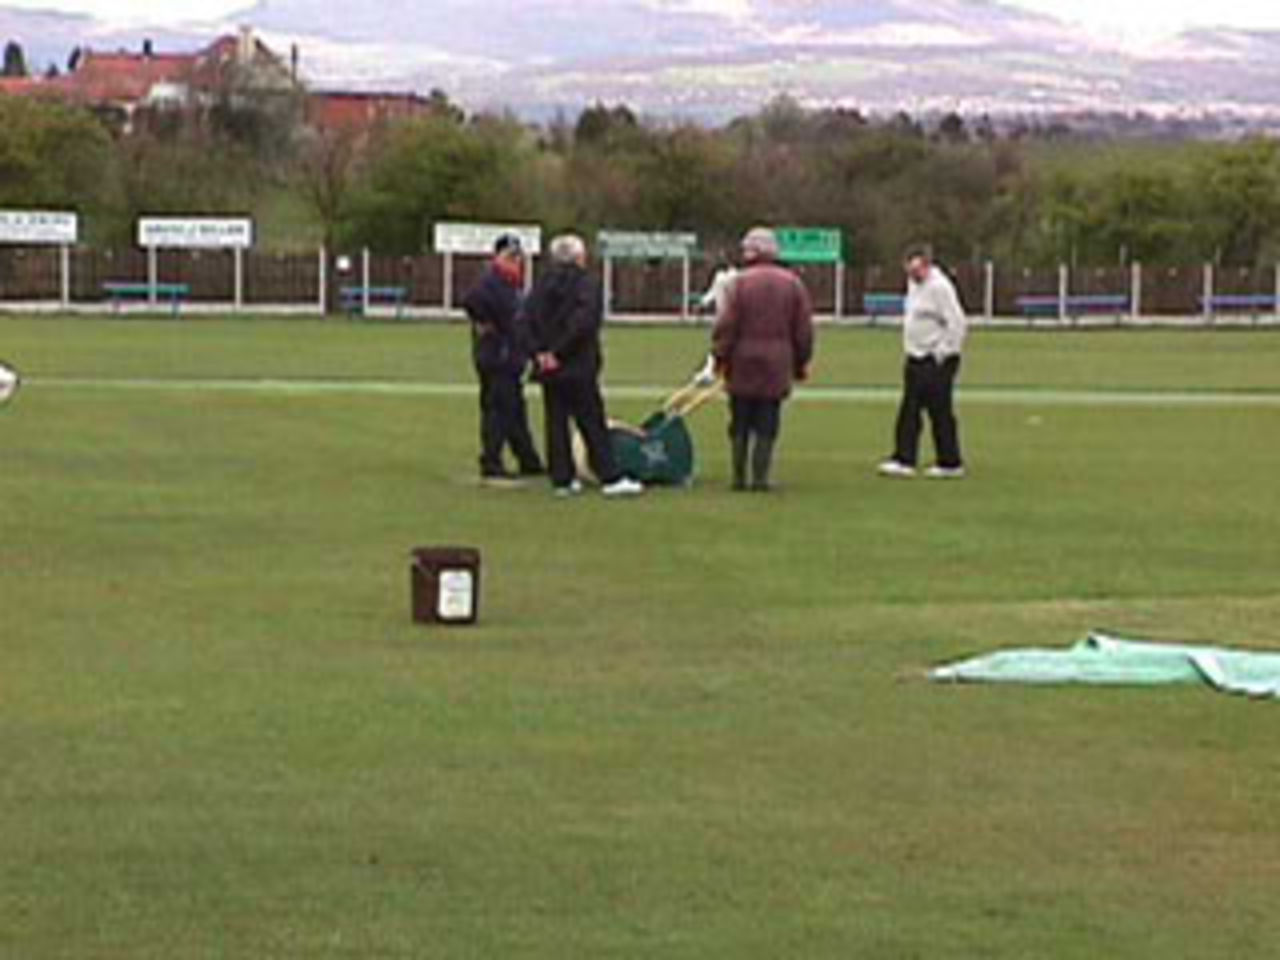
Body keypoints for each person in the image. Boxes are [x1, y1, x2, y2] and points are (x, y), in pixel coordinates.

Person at [524, 234, 644, 498]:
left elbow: (525, 320)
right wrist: (559, 352)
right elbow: (584, 323)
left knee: (555, 421)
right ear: (579, 257)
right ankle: (609, 477)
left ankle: (562, 479)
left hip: (548, 366)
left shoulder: (540, 284)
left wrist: (540, 354)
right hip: (577, 364)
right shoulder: (587, 284)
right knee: (591, 420)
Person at [711, 227, 815, 492]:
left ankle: (738, 476)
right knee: (768, 420)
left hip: (742, 361)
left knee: (740, 420)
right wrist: (802, 362)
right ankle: (761, 477)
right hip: (777, 363)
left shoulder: (738, 283)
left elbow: (726, 326)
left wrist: (719, 356)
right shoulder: (792, 284)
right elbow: (803, 330)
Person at [879, 245, 969, 480]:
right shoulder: (914, 286)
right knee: (910, 409)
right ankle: (904, 457)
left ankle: (950, 461)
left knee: (939, 410)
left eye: (917, 270)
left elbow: (957, 322)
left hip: (935, 359)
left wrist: (943, 352)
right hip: (916, 356)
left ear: (927, 265)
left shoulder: (940, 288)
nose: (913, 275)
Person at [463, 234, 545, 482]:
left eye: (517, 256)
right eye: (510, 256)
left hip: (510, 356)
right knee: (498, 410)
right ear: (497, 257)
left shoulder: (512, 284)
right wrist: (486, 324)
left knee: (514, 409)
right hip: (496, 357)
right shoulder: (492, 281)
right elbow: (472, 302)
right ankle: (491, 460)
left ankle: (528, 460)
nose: (515, 261)